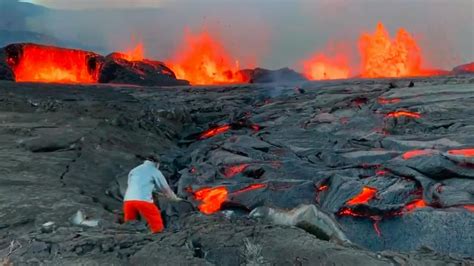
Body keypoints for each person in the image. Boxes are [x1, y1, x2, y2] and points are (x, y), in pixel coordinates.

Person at [123, 155, 179, 233]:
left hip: (128, 200)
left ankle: (128, 235)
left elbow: (131, 184)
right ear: (156, 163)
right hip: (142, 199)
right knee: (154, 217)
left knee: (129, 221)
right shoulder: (154, 171)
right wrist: (174, 198)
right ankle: (159, 235)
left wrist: (154, 191)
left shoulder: (134, 170)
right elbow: (165, 188)